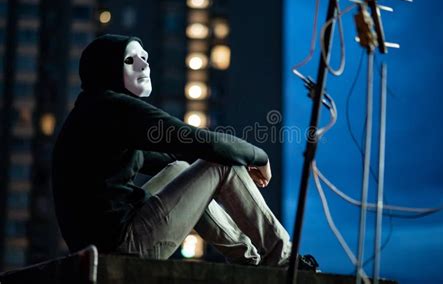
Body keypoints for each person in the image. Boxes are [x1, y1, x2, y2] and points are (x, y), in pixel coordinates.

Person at [52, 34, 317, 269]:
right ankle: (282, 259)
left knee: (182, 169)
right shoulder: (112, 108)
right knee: (219, 162)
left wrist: (222, 160)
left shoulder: (92, 111)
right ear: (106, 68)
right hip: (123, 247)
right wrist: (259, 156)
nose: (144, 65)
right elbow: (197, 140)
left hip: (109, 243)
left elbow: (175, 158)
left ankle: (248, 260)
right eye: (130, 61)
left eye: (144, 58)